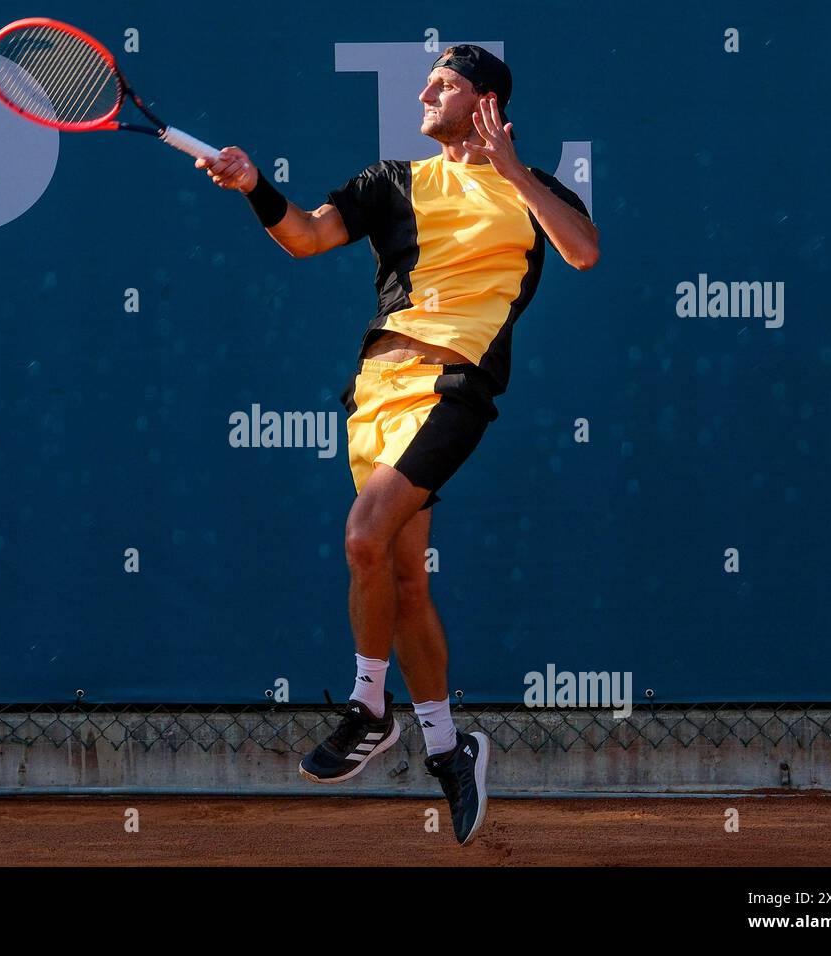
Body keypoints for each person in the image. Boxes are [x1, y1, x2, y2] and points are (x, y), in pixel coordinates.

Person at [198, 44, 599, 846]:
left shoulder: (532, 189)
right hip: (376, 395)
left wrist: (515, 172)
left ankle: (369, 707)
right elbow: (307, 236)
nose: (425, 92)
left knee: (361, 535)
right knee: (402, 575)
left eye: (444, 84)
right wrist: (254, 189)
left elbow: (583, 252)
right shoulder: (391, 182)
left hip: (456, 389)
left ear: (483, 101)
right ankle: (450, 748)